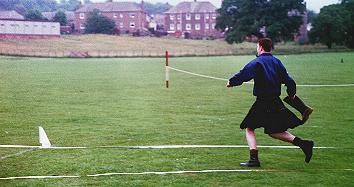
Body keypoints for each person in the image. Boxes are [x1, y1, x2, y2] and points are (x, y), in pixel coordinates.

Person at [226, 38, 314, 167]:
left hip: (263, 102)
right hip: (275, 101)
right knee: (274, 131)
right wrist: (291, 93)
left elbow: (243, 74)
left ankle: (254, 160)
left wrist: (231, 82)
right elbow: (289, 80)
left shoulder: (257, 62)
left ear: (261, 47)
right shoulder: (277, 62)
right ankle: (304, 144)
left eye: (257, 46)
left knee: (249, 128)